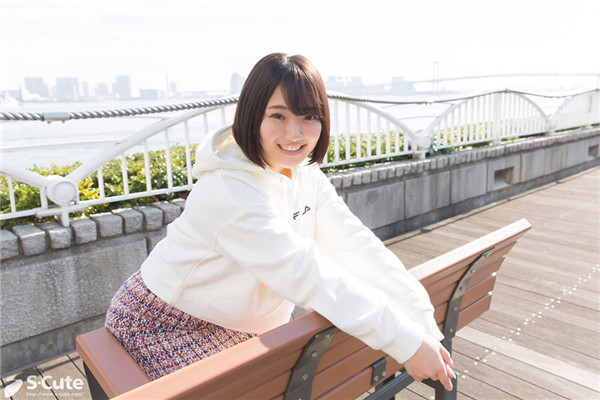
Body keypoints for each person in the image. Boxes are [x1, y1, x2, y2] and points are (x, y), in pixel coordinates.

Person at [105, 53, 455, 390]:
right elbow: (305, 271)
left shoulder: (303, 173)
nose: (295, 134)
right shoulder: (231, 191)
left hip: (245, 327)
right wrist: (406, 342)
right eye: (278, 116)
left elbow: (355, 246)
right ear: (251, 115)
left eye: (309, 116)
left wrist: (421, 320)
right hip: (164, 323)